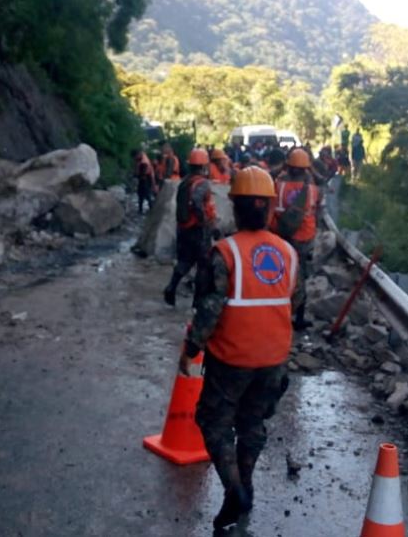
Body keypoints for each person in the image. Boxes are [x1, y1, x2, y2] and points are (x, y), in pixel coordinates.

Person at [180, 165, 301, 530]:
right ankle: (245, 487)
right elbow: (296, 302)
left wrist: (192, 347)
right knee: (252, 424)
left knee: (212, 421)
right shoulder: (288, 254)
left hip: (232, 358)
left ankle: (235, 491)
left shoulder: (224, 252)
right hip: (274, 358)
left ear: (235, 207)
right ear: (267, 208)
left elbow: (209, 308)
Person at [270, 148, 322, 331]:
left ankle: (273, 311)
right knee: (299, 279)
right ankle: (297, 318)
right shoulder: (312, 190)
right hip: (303, 238)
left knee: (279, 275)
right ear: (306, 168)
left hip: (280, 235)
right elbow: (317, 209)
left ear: (288, 166)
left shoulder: (278, 185)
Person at [163, 148, 217, 307]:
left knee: (184, 261)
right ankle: (197, 302)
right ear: (204, 165)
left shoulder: (185, 182)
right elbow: (196, 203)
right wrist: (206, 223)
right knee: (203, 265)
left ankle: (171, 287)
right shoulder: (202, 183)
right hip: (198, 230)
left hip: (184, 228)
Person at [131, 149, 157, 215]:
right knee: (140, 194)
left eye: (135, 157)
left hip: (146, 178)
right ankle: (140, 209)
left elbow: (143, 173)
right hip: (143, 178)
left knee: (146, 194)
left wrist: (136, 175)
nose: (134, 159)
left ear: (137, 155)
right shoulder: (140, 158)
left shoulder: (144, 162)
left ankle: (151, 208)